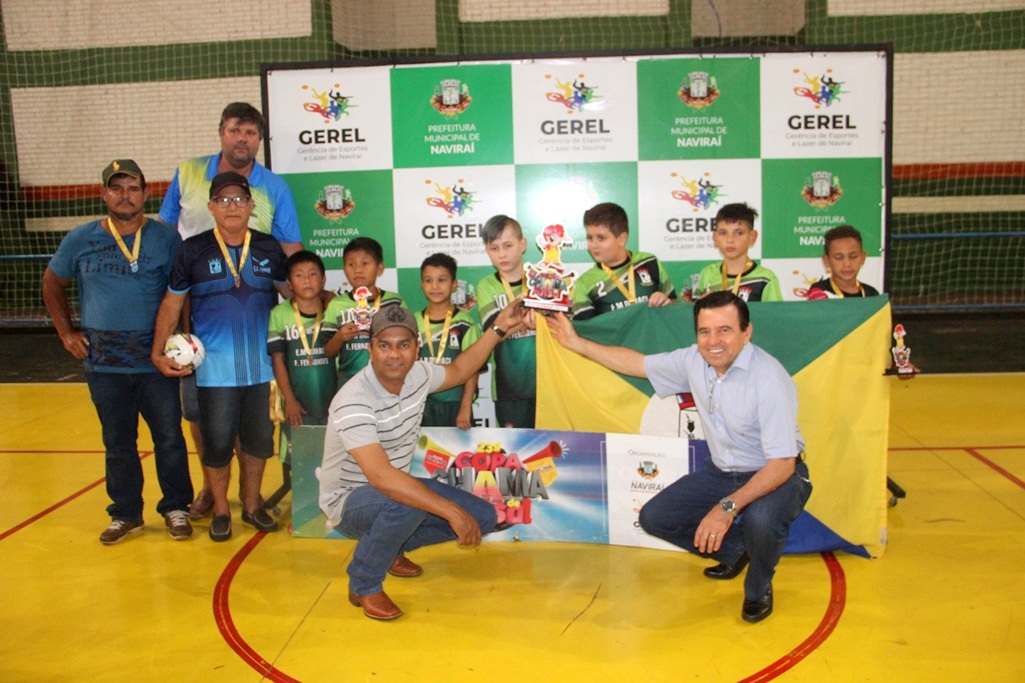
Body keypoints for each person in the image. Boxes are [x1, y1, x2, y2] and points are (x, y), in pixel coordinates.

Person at [549, 291, 812, 623]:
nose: (713, 341)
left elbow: (782, 464)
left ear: (747, 332)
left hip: (779, 474)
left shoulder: (768, 379)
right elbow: (637, 364)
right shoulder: (694, 360)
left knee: (760, 521)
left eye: (725, 330)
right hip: (723, 471)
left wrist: (726, 508)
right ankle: (736, 550)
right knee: (655, 518)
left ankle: (758, 588)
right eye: (705, 331)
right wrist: (577, 344)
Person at [319, 302, 527, 620]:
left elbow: (460, 370)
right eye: (384, 345)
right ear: (370, 349)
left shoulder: (418, 374)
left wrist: (499, 328)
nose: (394, 355)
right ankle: (363, 583)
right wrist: (451, 512)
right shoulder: (353, 400)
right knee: (410, 502)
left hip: (392, 490)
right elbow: (381, 478)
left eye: (403, 345)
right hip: (348, 501)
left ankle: (390, 549)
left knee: (483, 517)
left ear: (416, 349)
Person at [158, 102, 304, 520]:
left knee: (253, 420)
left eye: (251, 133)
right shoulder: (188, 172)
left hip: (252, 314)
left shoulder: (274, 188)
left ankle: (249, 497)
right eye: (235, 130)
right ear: (221, 132)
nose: (243, 139)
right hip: (193, 313)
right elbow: (164, 235)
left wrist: (311, 297)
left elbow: (291, 253)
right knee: (200, 413)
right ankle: (211, 490)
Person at [42, 160, 193, 544]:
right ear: (104, 194)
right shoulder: (80, 239)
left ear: (145, 193)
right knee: (118, 443)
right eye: (117, 188)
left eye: (133, 188)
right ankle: (125, 513)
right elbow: (52, 282)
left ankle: (176, 507)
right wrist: (66, 333)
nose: (125, 196)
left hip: (155, 362)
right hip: (104, 365)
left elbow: (181, 293)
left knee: (169, 439)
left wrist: (186, 340)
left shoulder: (166, 239)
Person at [151, 172, 289, 542]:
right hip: (214, 373)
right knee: (216, 447)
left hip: (262, 370)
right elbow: (172, 303)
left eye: (239, 199)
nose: (232, 206)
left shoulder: (268, 247)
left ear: (251, 206)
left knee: (258, 443)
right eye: (224, 200)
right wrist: (157, 350)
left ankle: (252, 505)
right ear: (211, 207)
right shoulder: (192, 250)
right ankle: (222, 510)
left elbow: (293, 294)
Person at [475, 215, 537, 428]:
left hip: (548, 383)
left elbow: (559, 323)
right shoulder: (486, 286)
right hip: (508, 388)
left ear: (522, 244)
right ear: (487, 250)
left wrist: (508, 325)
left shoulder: (541, 279)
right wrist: (529, 322)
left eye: (508, 246)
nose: (501, 254)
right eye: (494, 248)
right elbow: (492, 334)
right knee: (515, 447)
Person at [267, 251, 338, 433]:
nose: (307, 280)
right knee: (299, 448)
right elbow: (277, 360)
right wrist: (290, 400)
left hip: (335, 398)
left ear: (323, 279)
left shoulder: (334, 310)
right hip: (297, 401)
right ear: (289, 283)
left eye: (313, 274)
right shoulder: (279, 314)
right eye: (299, 275)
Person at [572, 202, 676, 319]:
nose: (593, 245)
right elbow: (585, 328)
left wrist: (665, 301)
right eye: (590, 238)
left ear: (621, 239)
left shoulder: (649, 262)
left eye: (601, 238)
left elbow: (675, 306)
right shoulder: (584, 283)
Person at [324, 237, 404, 387]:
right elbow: (327, 351)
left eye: (365, 263)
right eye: (351, 264)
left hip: (387, 379)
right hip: (349, 379)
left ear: (379, 268)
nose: (358, 270)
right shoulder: (336, 305)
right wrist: (339, 337)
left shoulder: (395, 302)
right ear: (344, 269)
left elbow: (407, 342)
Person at [416, 253, 482, 429]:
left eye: (442, 280)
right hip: (422, 404)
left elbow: (473, 369)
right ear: (422, 285)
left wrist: (465, 407)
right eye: (428, 280)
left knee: (457, 447)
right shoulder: (413, 323)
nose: (435, 286)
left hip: (456, 404)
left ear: (454, 285)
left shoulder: (465, 324)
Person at [694, 203, 782, 302]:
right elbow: (697, 310)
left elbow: (775, 312)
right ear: (715, 237)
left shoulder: (765, 278)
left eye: (739, 233)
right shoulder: (707, 274)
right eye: (723, 233)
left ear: (752, 237)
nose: (730, 240)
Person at [807, 225, 880, 299]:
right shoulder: (819, 292)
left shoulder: (872, 294)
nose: (847, 263)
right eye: (839, 258)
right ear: (827, 261)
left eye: (853, 256)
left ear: (863, 258)